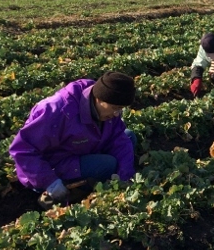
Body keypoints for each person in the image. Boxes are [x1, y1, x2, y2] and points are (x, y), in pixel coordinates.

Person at [9, 71, 137, 206]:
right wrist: (49, 181)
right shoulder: (57, 111)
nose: (117, 114)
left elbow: (118, 138)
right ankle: (65, 195)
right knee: (107, 164)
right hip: (51, 165)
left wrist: (125, 177)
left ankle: (96, 181)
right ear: (99, 98)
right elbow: (23, 149)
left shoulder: (105, 108)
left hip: (80, 150)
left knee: (129, 137)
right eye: (115, 108)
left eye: (121, 109)